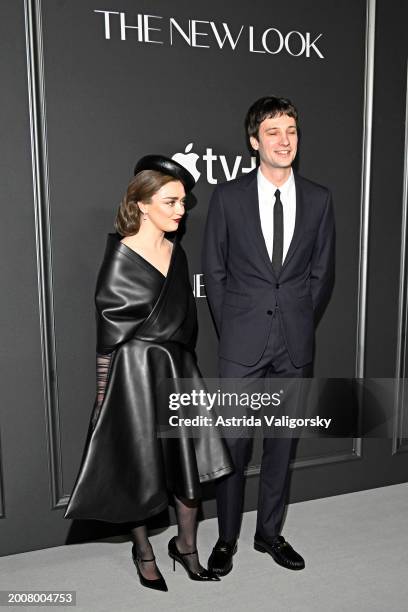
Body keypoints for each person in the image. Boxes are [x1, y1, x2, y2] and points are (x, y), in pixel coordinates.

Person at [64, 155, 233, 592]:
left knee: (187, 468)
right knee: (138, 469)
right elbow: (107, 336)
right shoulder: (121, 255)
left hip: (177, 369)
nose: (181, 209)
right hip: (133, 374)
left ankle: (187, 548)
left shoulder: (176, 251)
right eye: (171, 201)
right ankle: (143, 553)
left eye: (183, 202)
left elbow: (186, 323)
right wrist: (103, 397)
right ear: (141, 203)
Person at [202, 96, 335, 575]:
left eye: (292, 131)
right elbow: (214, 272)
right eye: (274, 132)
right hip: (241, 343)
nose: (285, 141)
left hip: (295, 344)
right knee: (234, 444)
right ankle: (227, 538)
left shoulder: (319, 198)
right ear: (254, 140)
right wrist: (235, 326)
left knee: (283, 445)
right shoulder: (229, 197)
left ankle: (270, 534)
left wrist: (295, 320)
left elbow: (322, 275)